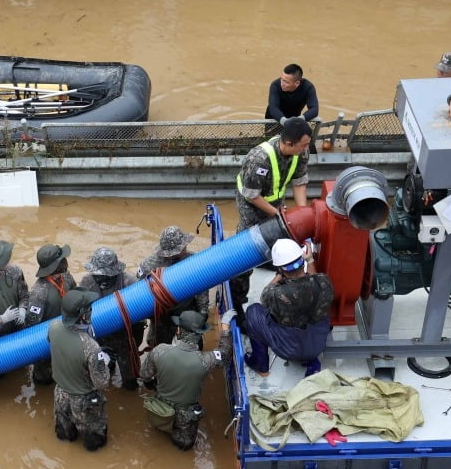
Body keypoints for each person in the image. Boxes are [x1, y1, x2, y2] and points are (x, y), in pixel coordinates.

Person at [228, 116, 315, 318]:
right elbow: (251, 194)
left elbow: (299, 182)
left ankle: (274, 272)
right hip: (252, 207)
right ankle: (238, 302)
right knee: (246, 254)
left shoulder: (301, 151)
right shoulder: (259, 159)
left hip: (276, 204)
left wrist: (302, 213)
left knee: (281, 241)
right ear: (288, 143)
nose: (306, 148)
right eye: (303, 145)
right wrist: (277, 214)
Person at [235, 238, 334, 378]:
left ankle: (260, 364)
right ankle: (312, 361)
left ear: (281, 268)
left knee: (253, 311)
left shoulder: (275, 294)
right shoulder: (324, 282)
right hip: (317, 345)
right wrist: (310, 261)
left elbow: (265, 294)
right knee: (316, 311)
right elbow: (314, 279)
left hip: (289, 349)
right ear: (301, 260)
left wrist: (279, 276)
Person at [139, 310, 231, 451]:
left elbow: (144, 375)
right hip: (185, 419)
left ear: (178, 330)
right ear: (200, 334)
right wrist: (225, 327)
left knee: (157, 435)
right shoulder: (207, 360)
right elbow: (225, 353)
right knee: (183, 447)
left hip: (160, 410)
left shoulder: (160, 351)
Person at [48, 290, 112, 452]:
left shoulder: (54, 327)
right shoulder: (91, 347)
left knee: (63, 435)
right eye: (89, 309)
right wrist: (105, 361)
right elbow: (102, 383)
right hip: (84, 401)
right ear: (83, 316)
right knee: (95, 442)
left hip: (60, 394)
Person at [79, 246, 143, 390]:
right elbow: (79, 311)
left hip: (124, 337)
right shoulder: (87, 282)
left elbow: (141, 310)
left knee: (130, 381)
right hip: (99, 336)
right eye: (98, 275)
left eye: (107, 276)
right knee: (101, 374)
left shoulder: (129, 282)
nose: (102, 279)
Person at [136, 226, 209, 348]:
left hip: (186, 311)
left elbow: (202, 287)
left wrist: (203, 312)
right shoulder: (148, 265)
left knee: (193, 345)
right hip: (161, 313)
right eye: (183, 246)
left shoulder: (192, 261)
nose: (186, 247)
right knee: (158, 346)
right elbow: (139, 292)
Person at [26, 243, 76, 385]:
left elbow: (75, 294)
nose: (65, 263)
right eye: (62, 260)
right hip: (46, 340)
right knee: (44, 379)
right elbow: (32, 324)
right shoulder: (39, 292)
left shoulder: (66, 277)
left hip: (66, 333)